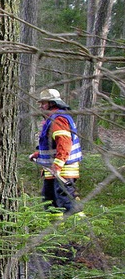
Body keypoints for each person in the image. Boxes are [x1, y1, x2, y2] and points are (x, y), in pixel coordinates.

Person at [29, 89, 83, 217]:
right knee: (50, 202)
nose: (41, 106)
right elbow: (52, 145)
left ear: (52, 103)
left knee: (66, 203)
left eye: (44, 103)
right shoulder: (52, 119)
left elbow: (64, 145)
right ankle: (54, 231)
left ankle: (78, 231)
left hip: (63, 171)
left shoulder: (58, 120)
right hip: (53, 171)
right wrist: (38, 155)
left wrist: (57, 166)